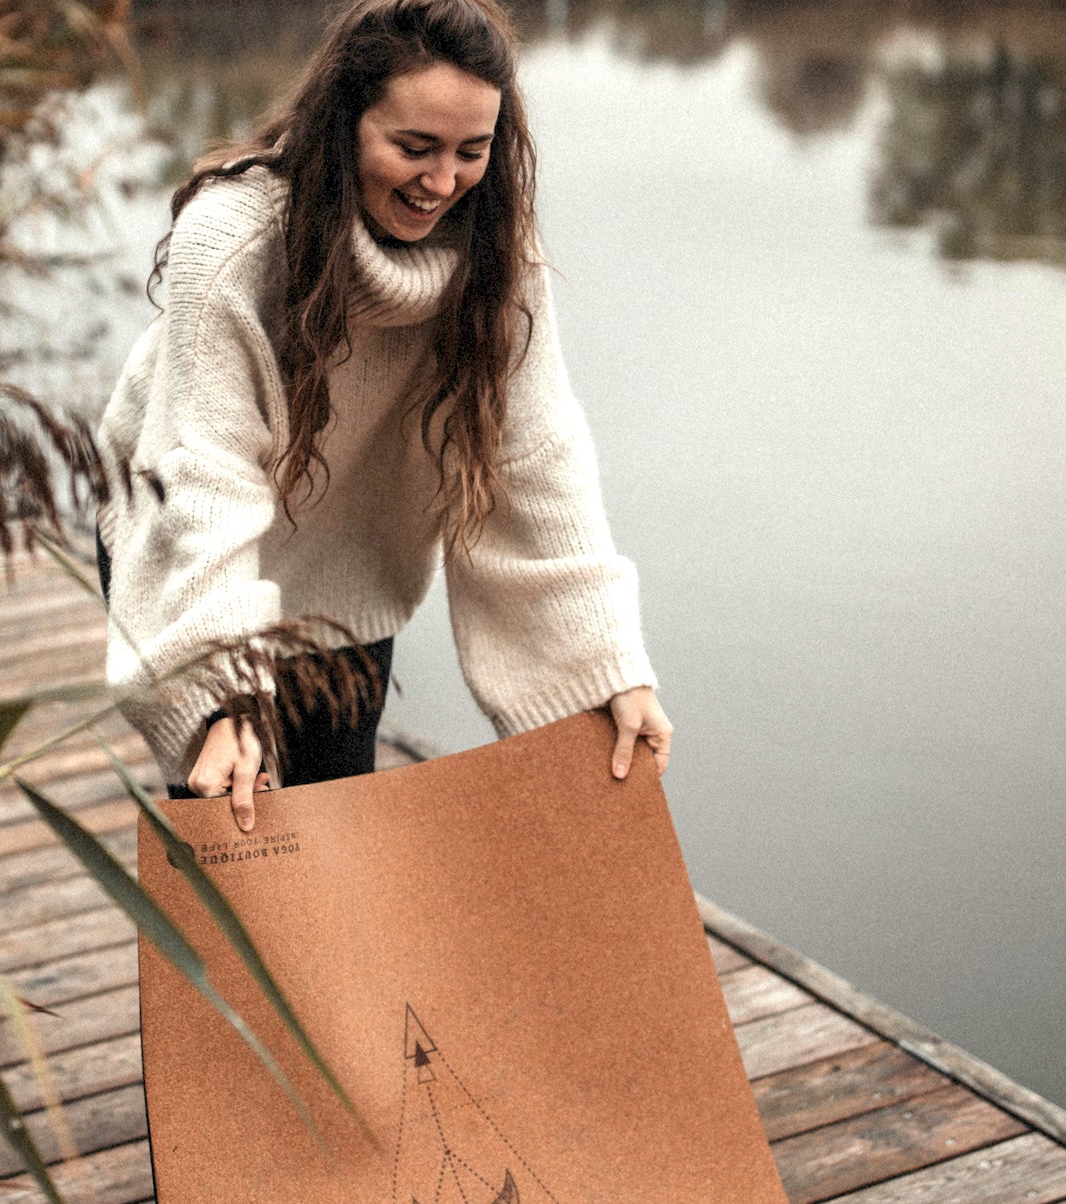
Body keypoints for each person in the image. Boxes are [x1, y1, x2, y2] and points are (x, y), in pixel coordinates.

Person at [96, 0, 671, 829]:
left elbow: (535, 458)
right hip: (186, 542)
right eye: (414, 147)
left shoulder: (496, 254)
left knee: (341, 835)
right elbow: (204, 470)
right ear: (345, 124)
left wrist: (609, 667)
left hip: (348, 572)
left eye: (471, 151)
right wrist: (224, 691)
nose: (443, 182)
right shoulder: (234, 242)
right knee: (233, 823)